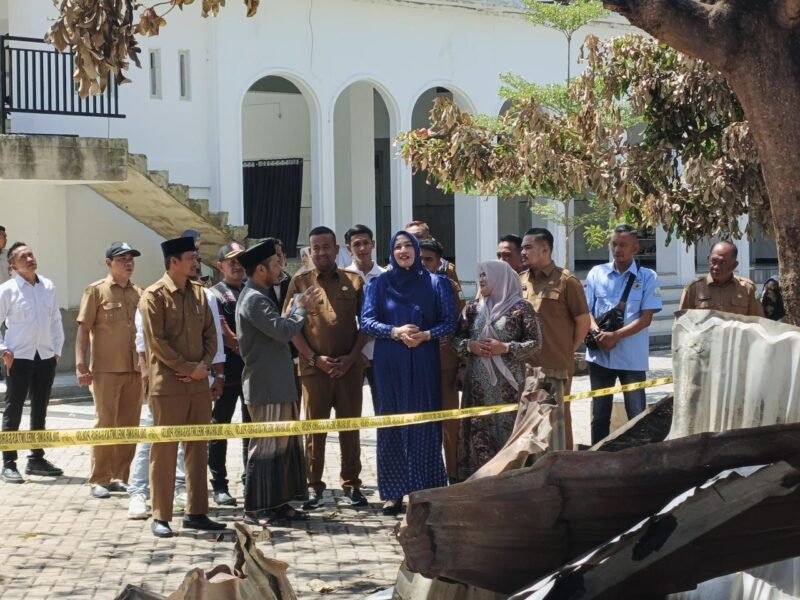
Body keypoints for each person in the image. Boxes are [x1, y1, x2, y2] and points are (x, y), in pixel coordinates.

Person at [360, 231, 456, 515]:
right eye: (398, 246)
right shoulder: (379, 284)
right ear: (391, 252)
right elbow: (366, 321)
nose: (403, 250)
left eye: (408, 246)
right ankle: (392, 493)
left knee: (425, 423)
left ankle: (425, 489)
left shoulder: (437, 283)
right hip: (389, 360)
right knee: (391, 424)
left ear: (416, 250)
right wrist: (394, 331)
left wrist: (426, 335)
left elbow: (449, 322)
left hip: (424, 358)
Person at [139, 236, 225, 537]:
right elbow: (157, 343)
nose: (196, 261)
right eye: (191, 256)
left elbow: (211, 336)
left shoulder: (201, 294)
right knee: (164, 452)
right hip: (169, 386)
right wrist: (189, 369)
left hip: (198, 384)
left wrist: (202, 367)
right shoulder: (153, 296)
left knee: (198, 449)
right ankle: (161, 516)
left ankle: (197, 511)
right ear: (174, 261)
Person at [284, 226, 369, 509]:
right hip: (314, 370)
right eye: (315, 248)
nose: (321, 252)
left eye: (326, 247)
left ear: (337, 249)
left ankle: (352, 484)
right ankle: (313, 486)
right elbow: (292, 328)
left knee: (350, 428)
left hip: (348, 369)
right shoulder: (300, 283)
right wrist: (313, 359)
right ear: (310, 251)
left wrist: (352, 357)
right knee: (314, 431)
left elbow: (365, 326)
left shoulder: (354, 281)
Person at [236, 240, 321, 523]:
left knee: (284, 447)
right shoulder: (254, 299)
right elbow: (283, 330)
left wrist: (295, 310)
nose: (280, 269)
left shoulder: (261, 295)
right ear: (260, 269)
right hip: (265, 386)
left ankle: (279, 502)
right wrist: (301, 308)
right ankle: (255, 508)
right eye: (276, 264)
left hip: (280, 384)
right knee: (266, 448)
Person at [452, 261, 541, 478]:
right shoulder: (473, 309)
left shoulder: (521, 308)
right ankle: (478, 484)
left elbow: (536, 342)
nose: (481, 279)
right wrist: (469, 346)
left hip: (509, 388)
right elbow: (455, 339)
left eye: (486, 275)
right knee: (478, 435)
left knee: (509, 434)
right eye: (479, 274)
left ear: (500, 277)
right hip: (478, 388)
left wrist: (506, 347)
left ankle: (509, 481)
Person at [75, 241, 143, 498]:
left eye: (131, 259)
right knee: (105, 423)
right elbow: (83, 329)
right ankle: (99, 478)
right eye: (122, 259)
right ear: (108, 263)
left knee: (129, 425)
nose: (128, 263)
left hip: (135, 370)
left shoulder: (140, 293)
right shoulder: (96, 291)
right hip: (106, 370)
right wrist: (81, 364)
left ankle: (119, 476)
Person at [584, 225, 663, 445]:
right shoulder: (596, 273)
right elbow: (586, 310)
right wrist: (596, 332)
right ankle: (597, 458)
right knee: (599, 415)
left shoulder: (648, 277)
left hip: (631, 358)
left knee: (637, 413)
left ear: (635, 248)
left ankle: (639, 459)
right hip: (599, 356)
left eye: (623, 245)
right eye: (614, 244)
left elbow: (646, 318)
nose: (617, 249)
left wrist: (616, 336)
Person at [520, 228, 591, 451]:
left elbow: (583, 322)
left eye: (528, 247)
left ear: (545, 249)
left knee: (558, 420)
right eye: (522, 247)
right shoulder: (521, 281)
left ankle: (565, 465)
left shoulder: (566, 281)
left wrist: (566, 350)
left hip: (556, 365)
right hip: (524, 365)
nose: (522, 252)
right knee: (528, 421)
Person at [0, 242, 65, 483]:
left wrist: (57, 350)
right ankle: (8, 462)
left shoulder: (47, 286)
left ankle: (36, 458)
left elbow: (56, 321)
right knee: (13, 409)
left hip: (45, 356)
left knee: (40, 408)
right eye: (23, 257)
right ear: (13, 266)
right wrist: (4, 350)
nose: (29, 259)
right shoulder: (7, 290)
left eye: (31, 254)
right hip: (19, 357)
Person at [419, 238, 463, 483]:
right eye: (421, 259)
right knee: (422, 424)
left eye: (429, 260)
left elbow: (461, 322)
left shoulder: (447, 286)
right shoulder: (404, 287)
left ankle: (453, 475)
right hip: (416, 366)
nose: (424, 264)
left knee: (449, 423)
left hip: (444, 364)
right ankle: (427, 477)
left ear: (438, 263)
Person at [208, 241, 248, 507]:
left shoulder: (253, 289)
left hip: (251, 372)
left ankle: (251, 477)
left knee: (252, 429)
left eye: (240, 260)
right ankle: (219, 484)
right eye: (231, 261)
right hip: (226, 372)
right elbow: (224, 332)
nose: (236, 265)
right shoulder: (214, 294)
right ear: (220, 266)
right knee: (218, 427)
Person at [344, 224, 386, 407]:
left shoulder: (386, 277)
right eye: (356, 244)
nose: (362, 249)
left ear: (373, 244)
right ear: (348, 248)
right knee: (350, 407)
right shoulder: (342, 277)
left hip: (381, 352)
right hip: (351, 354)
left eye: (366, 243)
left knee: (383, 406)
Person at [679, 241, 764, 317]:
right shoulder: (693, 289)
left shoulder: (747, 289)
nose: (716, 267)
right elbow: (682, 325)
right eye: (713, 261)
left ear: (734, 265)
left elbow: (757, 322)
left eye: (722, 262)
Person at [405, 220, 460, 284]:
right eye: (409, 237)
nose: (414, 240)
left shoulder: (445, 268)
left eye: (418, 237)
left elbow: (455, 292)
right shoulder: (395, 267)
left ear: (429, 238)